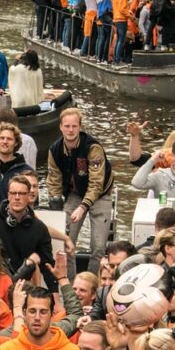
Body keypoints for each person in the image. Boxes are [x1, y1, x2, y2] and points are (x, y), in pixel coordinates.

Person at [47, 108, 116, 274]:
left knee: (98, 246)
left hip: (100, 195)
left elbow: (96, 183)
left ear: (80, 127)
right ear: (61, 127)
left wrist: (84, 206)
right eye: (67, 126)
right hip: (75, 194)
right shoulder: (54, 150)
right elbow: (54, 180)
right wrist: (56, 207)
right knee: (65, 242)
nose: (70, 130)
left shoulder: (93, 148)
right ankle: (69, 284)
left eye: (74, 126)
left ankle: (93, 284)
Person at [0, 176, 56, 289]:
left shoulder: (39, 228)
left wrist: (57, 302)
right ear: (8, 195)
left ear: (29, 196)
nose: (17, 197)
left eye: (21, 194)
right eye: (13, 193)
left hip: (24, 286)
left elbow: (48, 267)